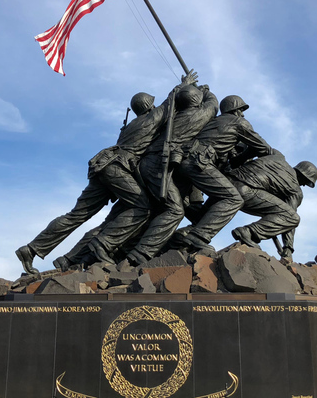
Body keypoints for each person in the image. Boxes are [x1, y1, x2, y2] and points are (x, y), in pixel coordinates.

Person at [15, 72, 197, 275]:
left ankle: (31, 249)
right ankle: (103, 245)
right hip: (117, 168)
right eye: (152, 105)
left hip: (102, 165)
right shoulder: (150, 119)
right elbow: (169, 105)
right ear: (149, 106)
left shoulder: (129, 127)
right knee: (142, 206)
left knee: (76, 215)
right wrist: (184, 85)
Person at [117, 84, 218, 265]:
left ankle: (173, 242)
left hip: (150, 166)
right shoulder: (196, 115)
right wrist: (206, 91)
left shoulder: (167, 120)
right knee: (175, 209)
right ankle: (139, 254)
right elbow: (213, 105)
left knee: (171, 207)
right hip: (158, 165)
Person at [175, 95, 272, 251]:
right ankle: (197, 237)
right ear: (234, 110)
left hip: (183, 161)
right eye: (241, 110)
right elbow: (264, 148)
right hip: (199, 162)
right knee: (233, 199)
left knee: (176, 207)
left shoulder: (213, 122)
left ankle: (178, 237)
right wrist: (243, 157)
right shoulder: (239, 122)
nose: (243, 114)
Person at [227, 151, 317, 261]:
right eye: (306, 182)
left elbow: (258, 148)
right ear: (303, 175)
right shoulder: (295, 190)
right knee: (293, 218)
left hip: (227, 181)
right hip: (245, 192)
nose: (304, 185)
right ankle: (248, 232)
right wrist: (288, 249)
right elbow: (289, 218)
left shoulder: (278, 158)